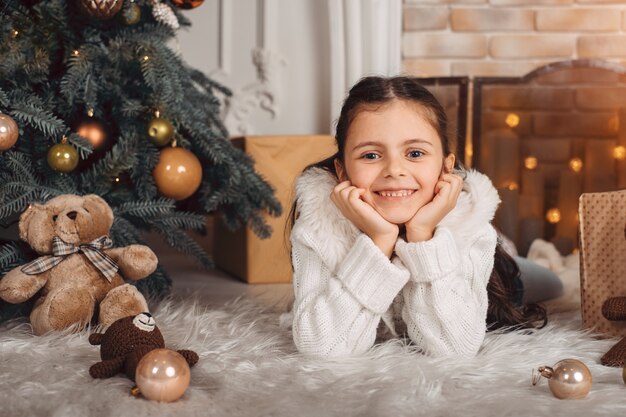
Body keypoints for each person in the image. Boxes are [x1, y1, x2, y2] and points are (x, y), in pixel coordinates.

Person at [287, 76, 547, 358]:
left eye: (415, 153)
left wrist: (422, 235)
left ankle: (532, 257)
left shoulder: (471, 228)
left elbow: (455, 349)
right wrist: (379, 242)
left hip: (502, 270)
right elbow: (322, 346)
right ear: (342, 172)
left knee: (546, 281)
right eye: (371, 155)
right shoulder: (318, 227)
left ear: (445, 168)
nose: (394, 170)